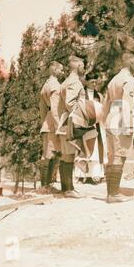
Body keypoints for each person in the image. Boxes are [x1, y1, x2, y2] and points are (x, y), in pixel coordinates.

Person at [101, 53, 134, 203]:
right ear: (130, 63)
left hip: (111, 118)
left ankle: (110, 192)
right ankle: (114, 193)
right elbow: (127, 104)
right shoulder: (129, 80)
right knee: (119, 156)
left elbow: (106, 103)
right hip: (122, 120)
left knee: (111, 156)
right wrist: (128, 124)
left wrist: (105, 120)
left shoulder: (113, 79)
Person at [56, 55, 86, 198]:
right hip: (70, 123)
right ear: (78, 66)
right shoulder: (75, 82)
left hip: (65, 122)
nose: (84, 68)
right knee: (68, 155)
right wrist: (81, 116)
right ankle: (68, 189)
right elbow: (70, 103)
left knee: (66, 155)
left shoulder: (67, 81)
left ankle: (66, 188)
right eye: (83, 65)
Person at [75, 72, 106, 184]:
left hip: (96, 125)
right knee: (83, 148)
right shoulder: (81, 94)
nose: (94, 84)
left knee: (96, 149)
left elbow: (103, 109)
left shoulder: (100, 96)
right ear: (86, 81)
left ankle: (95, 174)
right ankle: (80, 175)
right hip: (84, 124)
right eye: (91, 82)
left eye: (95, 82)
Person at [38, 61, 64, 193]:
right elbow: (54, 109)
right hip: (54, 124)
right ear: (54, 70)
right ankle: (45, 186)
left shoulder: (46, 84)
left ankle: (46, 185)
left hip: (47, 124)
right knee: (49, 155)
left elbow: (42, 109)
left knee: (49, 154)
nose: (62, 72)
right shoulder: (55, 85)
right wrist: (59, 126)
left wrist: (45, 122)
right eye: (61, 70)